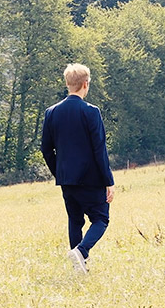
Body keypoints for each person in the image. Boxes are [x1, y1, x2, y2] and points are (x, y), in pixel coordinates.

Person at [40, 63, 115, 274]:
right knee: (101, 219)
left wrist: (59, 172)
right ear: (85, 84)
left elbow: (46, 149)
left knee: (75, 220)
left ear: (68, 84)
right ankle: (81, 252)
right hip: (91, 179)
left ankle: (79, 266)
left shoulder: (51, 113)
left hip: (67, 179)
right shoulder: (91, 112)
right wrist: (108, 181)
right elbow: (99, 149)